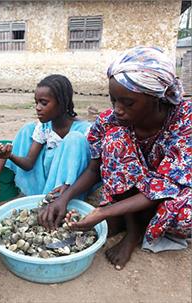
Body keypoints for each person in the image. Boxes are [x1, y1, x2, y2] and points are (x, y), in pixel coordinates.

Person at [42, 47, 192, 270]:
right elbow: (95, 170)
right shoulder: (111, 121)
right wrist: (65, 196)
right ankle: (131, 227)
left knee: (185, 217)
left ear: (156, 98)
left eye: (128, 103)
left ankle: (134, 228)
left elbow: (167, 186)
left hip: (172, 189)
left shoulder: (184, 121)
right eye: (113, 100)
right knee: (115, 139)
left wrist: (103, 212)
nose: (118, 109)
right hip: (131, 191)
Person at [0, 75, 93, 199]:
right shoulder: (45, 127)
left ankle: (58, 200)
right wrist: (9, 156)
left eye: (44, 103)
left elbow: (91, 171)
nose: (38, 108)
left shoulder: (84, 131)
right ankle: (45, 197)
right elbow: (29, 163)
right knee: (27, 129)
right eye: (36, 102)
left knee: (74, 139)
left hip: (72, 190)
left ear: (62, 102)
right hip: (47, 184)